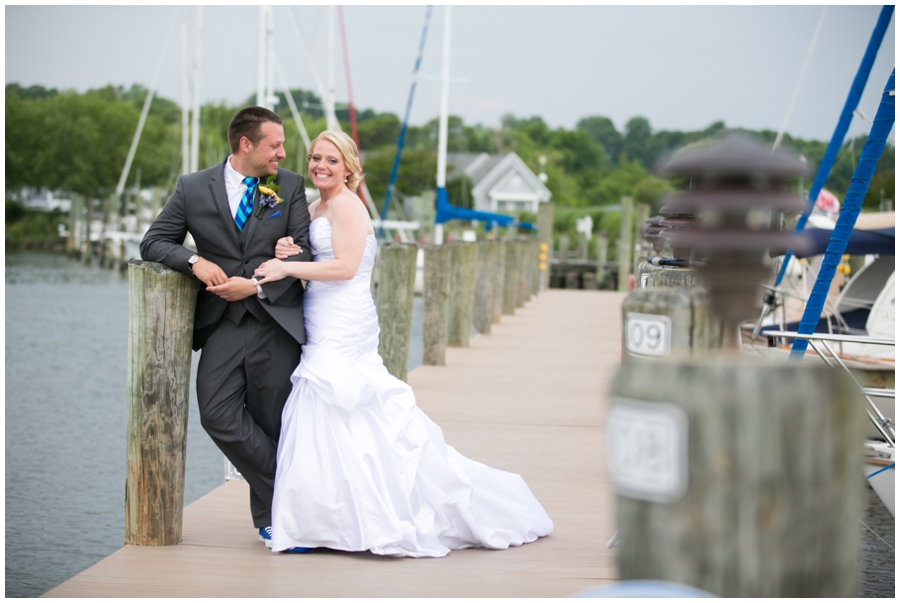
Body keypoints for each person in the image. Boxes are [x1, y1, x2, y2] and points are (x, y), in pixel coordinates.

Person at [254, 131, 553, 557]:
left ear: (349, 167)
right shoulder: (316, 205)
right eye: (316, 158)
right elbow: (315, 257)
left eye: (332, 160)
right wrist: (288, 250)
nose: (321, 166)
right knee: (324, 405)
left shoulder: (349, 207)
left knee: (342, 397)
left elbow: (344, 267)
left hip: (346, 317)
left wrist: (287, 270)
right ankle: (323, 519)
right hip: (319, 314)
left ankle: (356, 516)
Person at [139, 107, 311, 548]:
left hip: (273, 319)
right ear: (246, 144)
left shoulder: (287, 185)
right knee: (217, 413)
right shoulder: (193, 188)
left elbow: (305, 252)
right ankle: (299, 493)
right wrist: (195, 261)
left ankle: (272, 521)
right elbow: (155, 241)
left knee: (270, 421)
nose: (284, 152)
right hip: (222, 324)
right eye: (275, 144)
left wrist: (255, 282)